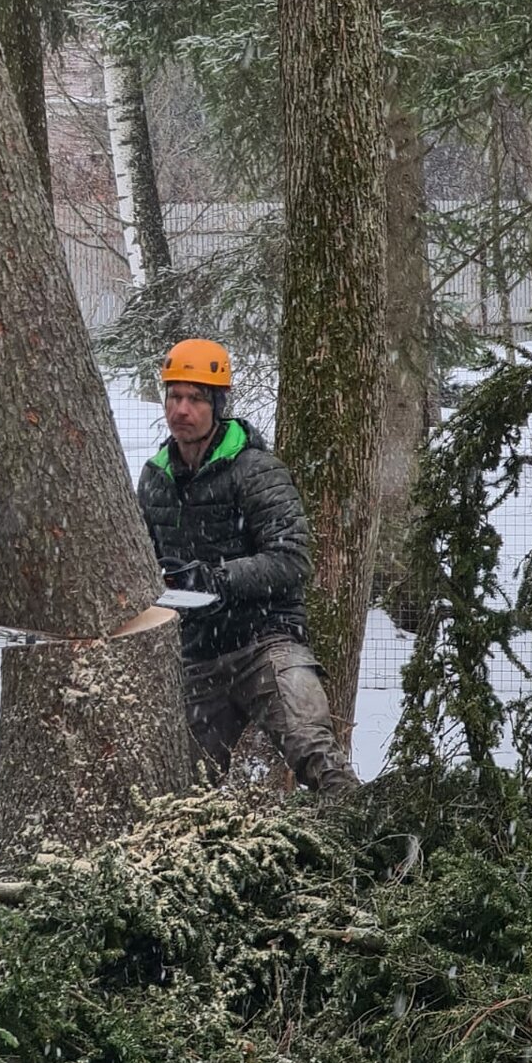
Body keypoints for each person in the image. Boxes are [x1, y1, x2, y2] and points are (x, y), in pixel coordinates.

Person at [136, 337, 360, 798]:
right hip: (196, 655)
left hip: (267, 642)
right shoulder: (154, 477)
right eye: (174, 396)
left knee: (314, 750)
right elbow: (142, 559)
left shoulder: (255, 469)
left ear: (218, 404)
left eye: (195, 398)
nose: (181, 409)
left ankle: (369, 839)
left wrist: (217, 579)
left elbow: (292, 558)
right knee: (183, 790)